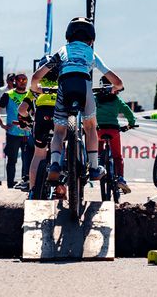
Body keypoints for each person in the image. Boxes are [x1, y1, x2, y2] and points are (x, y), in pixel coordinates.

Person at [30, 17, 123, 181]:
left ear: (68, 36)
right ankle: (94, 167)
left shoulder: (62, 51)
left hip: (64, 85)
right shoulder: (91, 53)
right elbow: (117, 81)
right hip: (84, 85)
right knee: (90, 127)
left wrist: (35, 88)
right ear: (91, 39)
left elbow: (37, 76)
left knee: (59, 131)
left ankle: (55, 164)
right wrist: (116, 88)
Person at [94, 75, 137, 194]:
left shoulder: (95, 98)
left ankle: (99, 164)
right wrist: (131, 124)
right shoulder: (116, 100)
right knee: (117, 157)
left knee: (99, 148)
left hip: (99, 130)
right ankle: (121, 179)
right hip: (113, 130)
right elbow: (128, 112)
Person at [24, 67, 59, 193]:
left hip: (41, 117)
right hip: (58, 116)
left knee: (38, 154)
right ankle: (62, 188)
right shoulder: (62, 84)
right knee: (62, 149)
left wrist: (27, 119)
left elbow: (22, 110)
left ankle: (32, 190)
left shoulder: (37, 86)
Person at [0, 73, 29, 188]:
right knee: (12, 160)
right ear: (15, 81)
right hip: (13, 133)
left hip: (27, 132)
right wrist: (2, 124)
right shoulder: (8, 94)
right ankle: (9, 184)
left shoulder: (30, 95)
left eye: (25, 79)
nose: (22, 82)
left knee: (27, 160)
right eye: (20, 80)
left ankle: (26, 182)